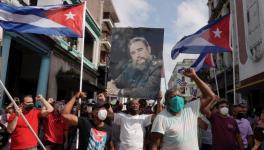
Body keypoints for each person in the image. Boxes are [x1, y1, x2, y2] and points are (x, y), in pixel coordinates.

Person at [150, 68, 216, 150]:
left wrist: (194, 77)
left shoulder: (191, 109)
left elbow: (210, 96)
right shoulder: (161, 118)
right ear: (166, 102)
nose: (177, 99)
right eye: (172, 96)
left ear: (183, 100)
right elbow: (154, 145)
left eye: (179, 96)